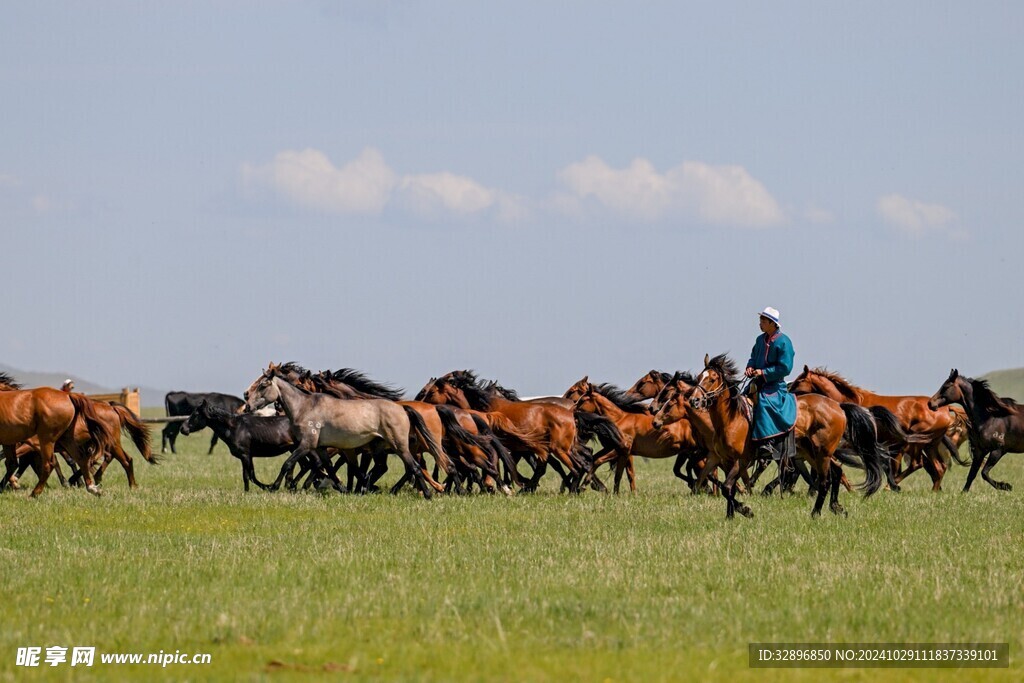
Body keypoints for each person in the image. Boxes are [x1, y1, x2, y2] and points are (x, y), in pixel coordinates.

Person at [744, 307, 797, 462]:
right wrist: (750, 367)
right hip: (757, 383)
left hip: (774, 386)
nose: (760, 323)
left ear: (772, 323)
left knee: (763, 403)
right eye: (760, 320)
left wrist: (763, 373)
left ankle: (766, 442)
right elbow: (753, 357)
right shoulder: (760, 339)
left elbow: (785, 368)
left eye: (763, 321)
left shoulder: (784, 341)